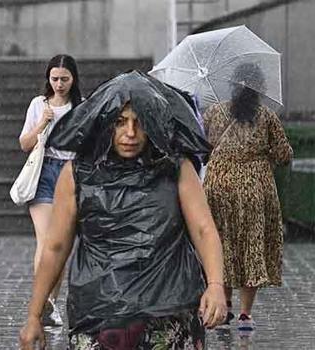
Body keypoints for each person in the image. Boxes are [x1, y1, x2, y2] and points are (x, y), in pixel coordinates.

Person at [19, 71, 227, 349]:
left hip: (167, 311)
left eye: (140, 123)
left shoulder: (176, 169)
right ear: (105, 124)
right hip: (100, 313)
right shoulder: (77, 174)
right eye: (120, 122)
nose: (130, 133)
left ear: (153, 125)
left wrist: (215, 285)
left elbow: (203, 229)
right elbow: (55, 247)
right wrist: (34, 315)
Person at [202, 63, 293, 331]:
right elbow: (283, 154)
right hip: (256, 188)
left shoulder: (214, 112)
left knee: (223, 242)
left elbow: (200, 148)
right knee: (252, 246)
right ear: (260, 88)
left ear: (233, 84)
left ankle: (225, 305)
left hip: (219, 187)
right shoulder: (266, 117)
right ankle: (244, 314)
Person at [18, 54, 83, 327]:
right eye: (54, 78)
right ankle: (42, 300)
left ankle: (51, 304)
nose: (59, 84)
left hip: (70, 173)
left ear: (73, 80)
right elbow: (24, 143)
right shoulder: (38, 105)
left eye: (64, 79)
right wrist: (42, 122)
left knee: (62, 244)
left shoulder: (82, 106)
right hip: (43, 172)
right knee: (45, 241)